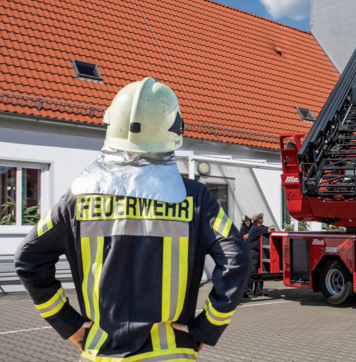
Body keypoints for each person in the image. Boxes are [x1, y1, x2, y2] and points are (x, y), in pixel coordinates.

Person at [15, 77, 251, 360]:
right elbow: (236, 259)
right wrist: (207, 328)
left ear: (112, 126)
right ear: (173, 131)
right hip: (170, 353)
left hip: (100, 353)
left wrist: (69, 324)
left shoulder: (77, 198)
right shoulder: (194, 197)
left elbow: (28, 258)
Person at [246, 213, 275, 297]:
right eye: (262, 218)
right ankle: (248, 292)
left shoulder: (258, 228)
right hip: (253, 252)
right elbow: (271, 230)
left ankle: (258, 291)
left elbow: (269, 228)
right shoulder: (256, 228)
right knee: (252, 272)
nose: (263, 219)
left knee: (259, 272)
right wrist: (271, 227)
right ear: (259, 220)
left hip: (257, 253)